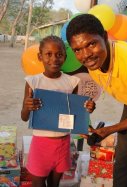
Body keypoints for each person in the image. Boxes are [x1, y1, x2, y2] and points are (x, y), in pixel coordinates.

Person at [66, 14, 127, 187]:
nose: (86, 55)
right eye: (78, 49)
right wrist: (82, 118)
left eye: (91, 44)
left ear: (105, 37)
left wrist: (111, 129)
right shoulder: (92, 62)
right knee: (125, 162)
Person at [21, 35, 95, 187]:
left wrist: (88, 109)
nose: (54, 59)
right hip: (41, 146)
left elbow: (75, 114)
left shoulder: (72, 82)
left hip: (63, 144)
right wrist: (28, 107)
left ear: (65, 57)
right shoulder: (33, 82)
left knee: (55, 184)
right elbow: (23, 117)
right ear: (39, 56)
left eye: (59, 54)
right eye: (48, 54)